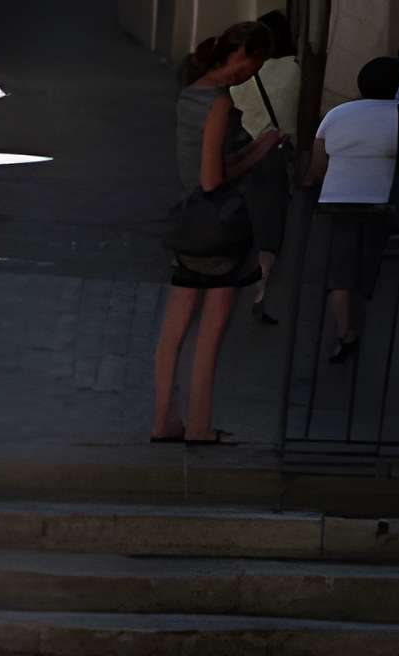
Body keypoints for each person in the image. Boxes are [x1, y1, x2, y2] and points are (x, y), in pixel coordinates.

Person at [154, 25, 281, 445]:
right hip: (219, 227)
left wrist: (244, 152)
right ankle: (200, 426)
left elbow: (200, 168)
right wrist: (259, 152)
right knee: (211, 333)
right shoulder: (219, 104)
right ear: (243, 56)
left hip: (187, 221)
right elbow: (214, 179)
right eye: (255, 64)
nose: (253, 73)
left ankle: (163, 421)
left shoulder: (190, 92)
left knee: (173, 331)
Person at [307, 54, 399, 364]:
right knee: (374, 263)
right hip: (382, 202)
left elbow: (318, 164)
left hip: (338, 201)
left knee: (341, 266)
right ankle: (369, 319)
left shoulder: (336, 114)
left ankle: (345, 331)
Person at [232, 11, 302, 319]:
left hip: (241, 151)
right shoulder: (295, 70)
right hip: (275, 152)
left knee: (239, 215)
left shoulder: (243, 72)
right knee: (270, 222)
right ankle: (262, 286)